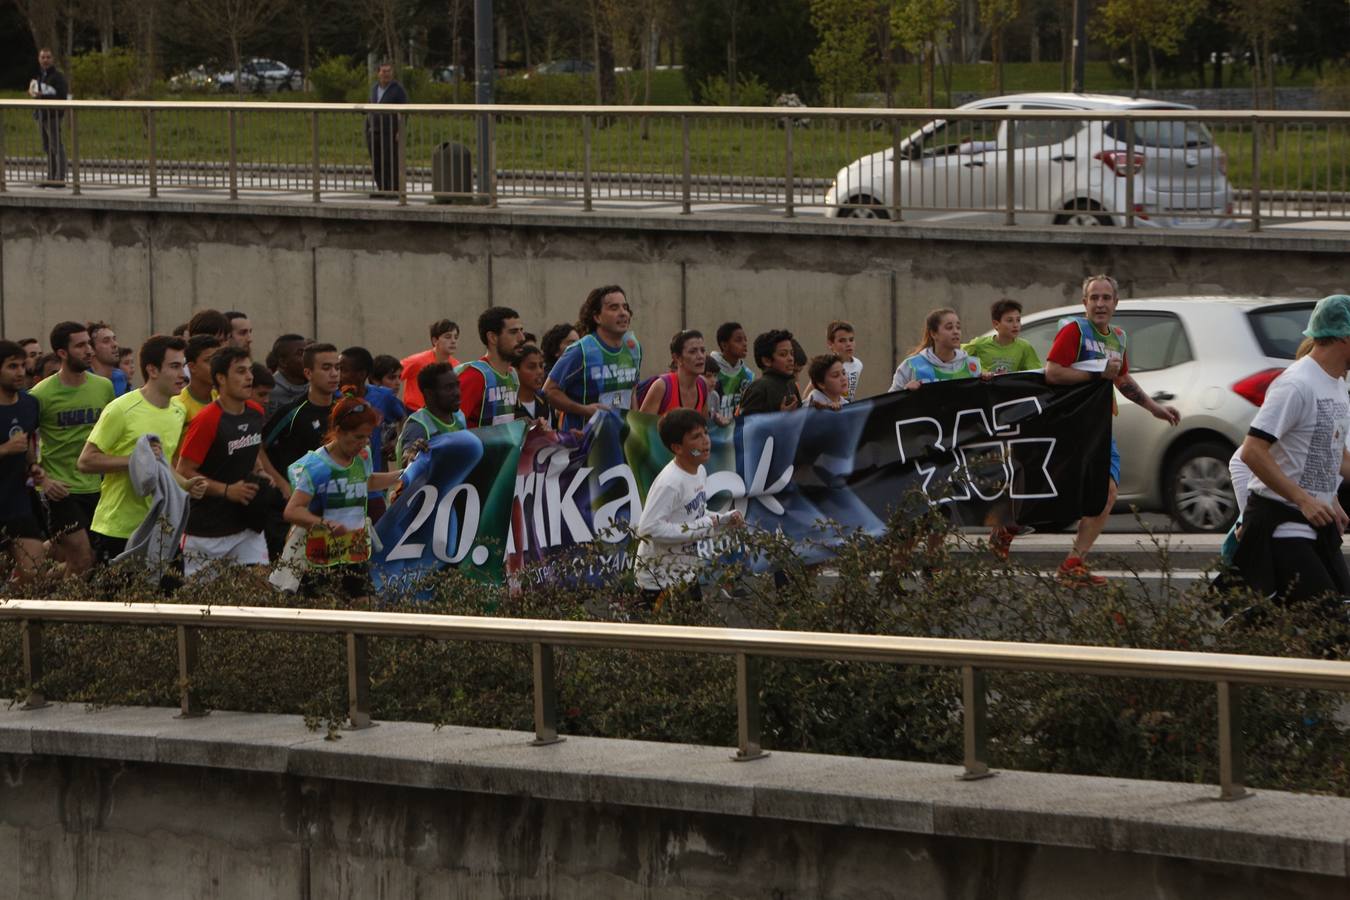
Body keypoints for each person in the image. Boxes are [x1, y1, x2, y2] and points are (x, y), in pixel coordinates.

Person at [1045, 275, 1179, 587]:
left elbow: (1121, 379)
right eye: (1094, 298)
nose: (1100, 304)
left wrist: (1154, 407)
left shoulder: (1118, 337)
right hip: (1070, 425)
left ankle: (1073, 563)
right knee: (1055, 490)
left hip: (1101, 425)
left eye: (1106, 298)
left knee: (1107, 494)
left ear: (1116, 304)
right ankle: (1008, 528)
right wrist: (1094, 376)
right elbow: (1052, 372)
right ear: (1085, 303)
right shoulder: (1074, 331)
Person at [1233, 294, 1350, 605]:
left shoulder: (1337, 384)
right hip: (1282, 524)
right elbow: (1252, 452)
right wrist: (1304, 499)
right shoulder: (1296, 384)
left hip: (1318, 524)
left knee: (1338, 619)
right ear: (1344, 337)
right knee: (1328, 627)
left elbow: (1332, 450)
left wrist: (1331, 498)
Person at [78, 335, 207, 562]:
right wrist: (135, 459)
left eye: (183, 366)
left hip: (162, 527)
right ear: (153, 370)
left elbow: (162, 461)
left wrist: (185, 484)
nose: (183, 375)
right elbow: (86, 461)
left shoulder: (178, 411)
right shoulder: (121, 409)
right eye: (175, 366)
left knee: (170, 596)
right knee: (119, 598)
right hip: (118, 529)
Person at [283, 396, 404, 599]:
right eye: (358, 437)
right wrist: (323, 524)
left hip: (354, 553)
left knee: (362, 615)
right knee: (322, 620)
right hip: (320, 558)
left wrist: (405, 474)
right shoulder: (317, 466)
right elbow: (292, 510)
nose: (364, 443)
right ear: (338, 431)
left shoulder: (362, 455)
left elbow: (367, 481)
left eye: (368, 437)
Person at [634, 408, 744, 609]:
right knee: (653, 637)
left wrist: (723, 519)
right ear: (677, 447)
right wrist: (702, 526)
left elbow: (696, 514)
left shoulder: (699, 471)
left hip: (686, 572)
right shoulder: (670, 483)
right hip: (658, 580)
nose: (706, 441)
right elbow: (648, 529)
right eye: (696, 437)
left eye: (705, 433)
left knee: (694, 633)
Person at [175, 347, 270, 578]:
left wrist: (259, 470)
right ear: (221, 378)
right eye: (240, 371)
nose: (249, 377)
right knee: (202, 604)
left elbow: (251, 448)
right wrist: (227, 490)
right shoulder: (207, 420)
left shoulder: (256, 412)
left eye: (249, 370)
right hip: (206, 530)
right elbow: (184, 470)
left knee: (260, 588)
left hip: (247, 524)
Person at [28, 322, 112, 575]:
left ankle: (32, 583)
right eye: (80, 345)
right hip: (62, 490)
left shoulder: (103, 387)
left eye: (89, 343)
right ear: (62, 353)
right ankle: (66, 613)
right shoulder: (40, 395)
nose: (89, 350)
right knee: (83, 558)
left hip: (99, 488)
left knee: (85, 560)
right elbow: (25, 442)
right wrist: (44, 479)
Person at [543, 285, 643, 431]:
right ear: (597, 317)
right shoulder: (581, 351)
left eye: (625, 307)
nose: (623, 313)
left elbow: (631, 389)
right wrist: (585, 410)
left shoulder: (634, 347)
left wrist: (635, 426)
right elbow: (549, 391)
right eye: (614, 308)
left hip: (620, 438)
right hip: (584, 442)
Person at [340, 346, 406, 521]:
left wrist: (395, 442)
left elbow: (403, 417)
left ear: (361, 374)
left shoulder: (383, 396)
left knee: (378, 540)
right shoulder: (337, 400)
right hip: (342, 488)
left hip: (373, 487)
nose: (337, 374)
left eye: (343, 370)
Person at [261, 342, 342, 482]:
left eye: (337, 367)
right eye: (326, 368)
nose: (334, 374)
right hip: (298, 497)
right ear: (308, 373)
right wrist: (281, 484)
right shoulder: (291, 412)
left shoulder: (344, 410)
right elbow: (259, 448)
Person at [0, 340, 46, 581]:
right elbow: (12, 446)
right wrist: (5, 449)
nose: (20, 372)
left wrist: (33, 467)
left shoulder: (30, 404)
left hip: (17, 502)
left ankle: (22, 618)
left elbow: (28, 445)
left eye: (22, 365)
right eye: (12, 366)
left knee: (36, 574)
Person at [457, 307, 525, 428]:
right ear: (492, 337)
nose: (522, 338)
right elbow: (450, 427)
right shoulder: (475, 376)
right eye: (513, 332)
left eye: (521, 330)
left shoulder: (512, 375)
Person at [890, 309, 981, 391]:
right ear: (933, 334)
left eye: (958, 327)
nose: (956, 332)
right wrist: (905, 392)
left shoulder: (972, 365)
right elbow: (891, 403)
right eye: (949, 327)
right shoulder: (911, 366)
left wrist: (988, 381)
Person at [396, 363, 466, 466]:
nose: (457, 393)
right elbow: (407, 460)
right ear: (429, 394)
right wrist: (411, 453)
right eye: (448, 388)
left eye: (457, 385)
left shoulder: (459, 417)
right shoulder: (418, 425)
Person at [638, 330, 709, 416]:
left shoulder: (703, 385)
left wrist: (718, 421)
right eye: (692, 352)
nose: (701, 356)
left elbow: (704, 426)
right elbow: (642, 427)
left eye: (703, 350)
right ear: (677, 358)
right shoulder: (661, 387)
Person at [964, 298, 1042, 376]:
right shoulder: (978, 344)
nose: (1015, 325)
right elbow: (957, 359)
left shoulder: (1024, 347)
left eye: (1018, 320)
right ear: (996, 324)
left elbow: (1035, 374)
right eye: (1010, 320)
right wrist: (980, 372)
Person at [365, 62, 408, 197]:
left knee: (390, 161)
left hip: (389, 132)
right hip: (374, 131)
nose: (386, 74)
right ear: (378, 73)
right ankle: (382, 188)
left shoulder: (398, 90)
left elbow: (405, 110)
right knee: (377, 161)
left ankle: (394, 190)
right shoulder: (374, 88)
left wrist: (400, 130)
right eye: (383, 71)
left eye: (388, 71)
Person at [29, 48, 68, 187]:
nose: (45, 60)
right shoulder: (41, 76)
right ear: (39, 59)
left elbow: (62, 97)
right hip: (41, 114)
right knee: (47, 147)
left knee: (57, 146)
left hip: (53, 115)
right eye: (43, 57)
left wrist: (42, 95)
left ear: (52, 59)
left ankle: (60, 178)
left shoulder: (58, 77)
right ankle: (51, 177)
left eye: (48, 57)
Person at [401, 319, 460, 412]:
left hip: (441, 413)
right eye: (448, 337)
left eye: (456, 337)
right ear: (435, 340)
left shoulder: (456, 365)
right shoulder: (417, 361)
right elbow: (393, 376)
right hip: (413, 412)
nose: (453, 341)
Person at [738, 330, 801, 415]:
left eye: (792, 353)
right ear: (766, 361)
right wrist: (780, 418)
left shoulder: (791, 385)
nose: (791, 359)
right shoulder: (758, 388)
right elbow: (747, 425)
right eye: (783, 354)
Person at [706, 322, 754, 423]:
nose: (744, 343)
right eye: (738, 340)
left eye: (745, 339)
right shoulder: (709, 371)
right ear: (724, 345)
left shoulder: (748, 375)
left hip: (737, 434)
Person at [171, 334, 223, 426]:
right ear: (192, 367)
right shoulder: (178, 406)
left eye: (219, 360)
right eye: (210, 361)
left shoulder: (221, 399)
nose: (217, 366)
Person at [267, 334, 309, 415]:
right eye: (300, 354)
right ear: (283, 362)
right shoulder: (268, 391)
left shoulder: (317, 387)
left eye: (308, 353)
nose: (308, 358)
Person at [513, 344, 553, 425]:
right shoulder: (508, 404)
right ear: (516, 370)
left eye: (541, 366)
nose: (540, 371)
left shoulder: (543, 400)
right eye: (531, 367)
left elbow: (549, 434)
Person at [87, 321, 129, 397]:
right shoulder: (83, 380)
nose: (115, 344)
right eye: (106, 341)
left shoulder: (120, 377)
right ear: (91, 349)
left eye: (114, 339)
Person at [826, 321, 864, 402]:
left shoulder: (858, 364)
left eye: (851, 340)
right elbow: (811, 391)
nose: (848, 344)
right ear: (830, 344)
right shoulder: (826, 365)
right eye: (842, 341)